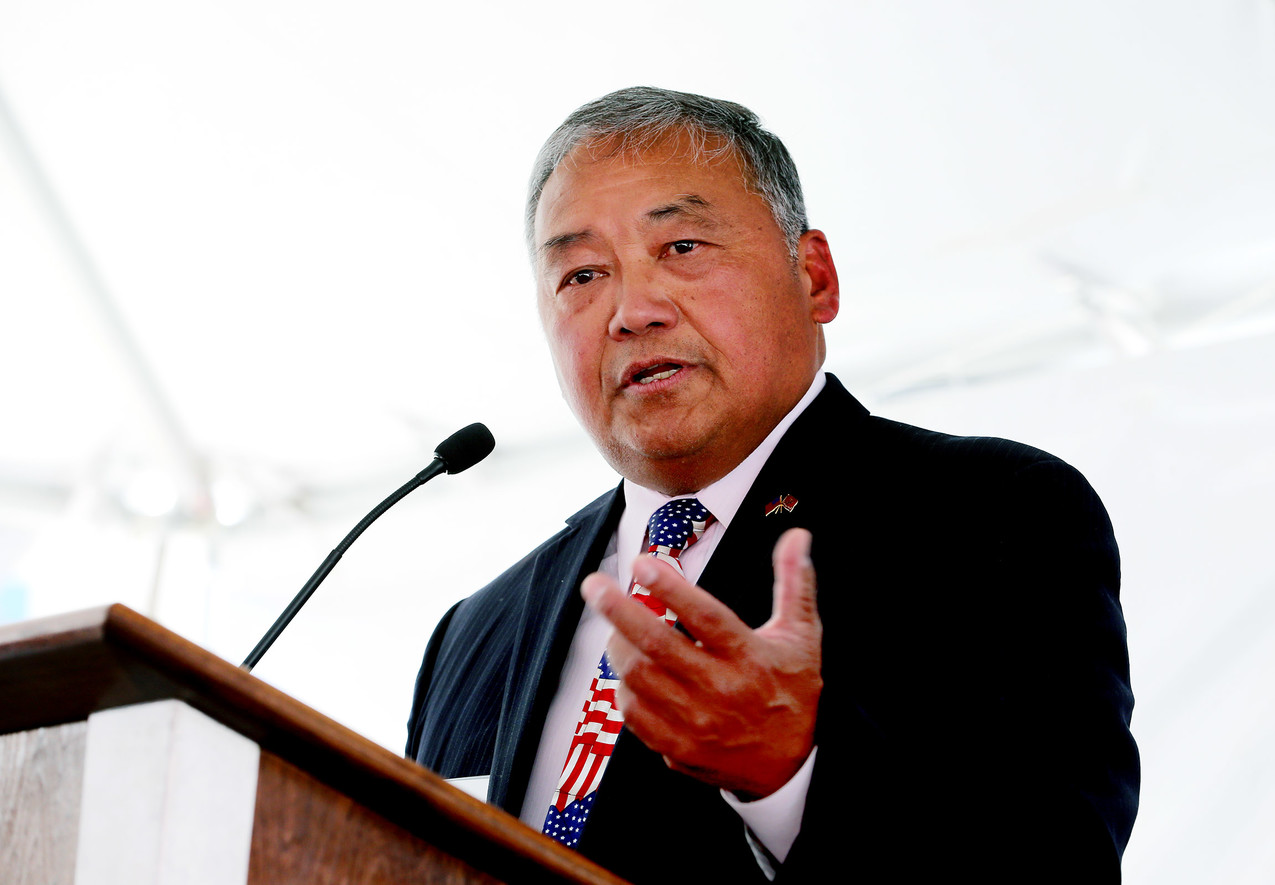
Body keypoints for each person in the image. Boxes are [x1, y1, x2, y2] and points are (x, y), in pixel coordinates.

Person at [406, 86, 1139, 883]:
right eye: (582, 274)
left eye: (682, 247)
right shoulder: (476, 630)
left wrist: (793, 777)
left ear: (814, 275)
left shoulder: (989, 514)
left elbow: (1056, 863)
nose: (632, 310)